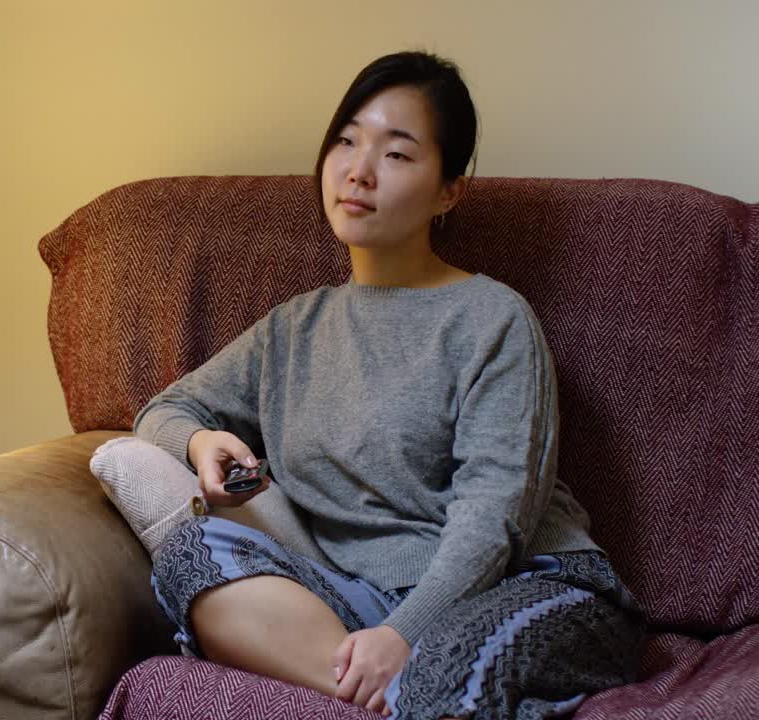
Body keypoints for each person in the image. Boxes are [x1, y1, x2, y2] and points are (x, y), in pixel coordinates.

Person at [133, 51, 647, 720]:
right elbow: (162, 411)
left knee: (446, 661)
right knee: (190, 559)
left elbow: (495, 518)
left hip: (530, 584)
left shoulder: (492, 319)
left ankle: (411, 682)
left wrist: (406, 635)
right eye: (346, 141)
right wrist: (202, 442)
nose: (358, 170)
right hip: (365, 598)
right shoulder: (292, 330)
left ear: (448, 192)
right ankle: (391, 690)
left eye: (397, 155)